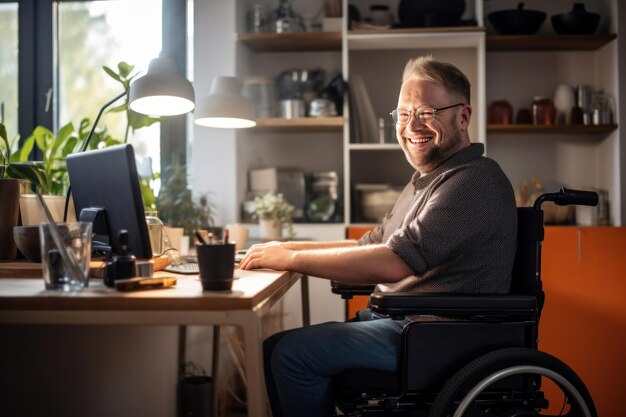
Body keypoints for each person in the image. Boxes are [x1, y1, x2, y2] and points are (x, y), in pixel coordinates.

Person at [240, 56, 518, 417]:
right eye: (403, 114)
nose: (411, 125)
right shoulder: (429, 179)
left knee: (292, 356)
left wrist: (291, 261)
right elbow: (371, 245)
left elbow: (393, 262)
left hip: (434, 337)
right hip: (403, 325)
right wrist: (286, 247)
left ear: (463, 117)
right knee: (275, 347)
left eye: (427, 112)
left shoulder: (472, 181)